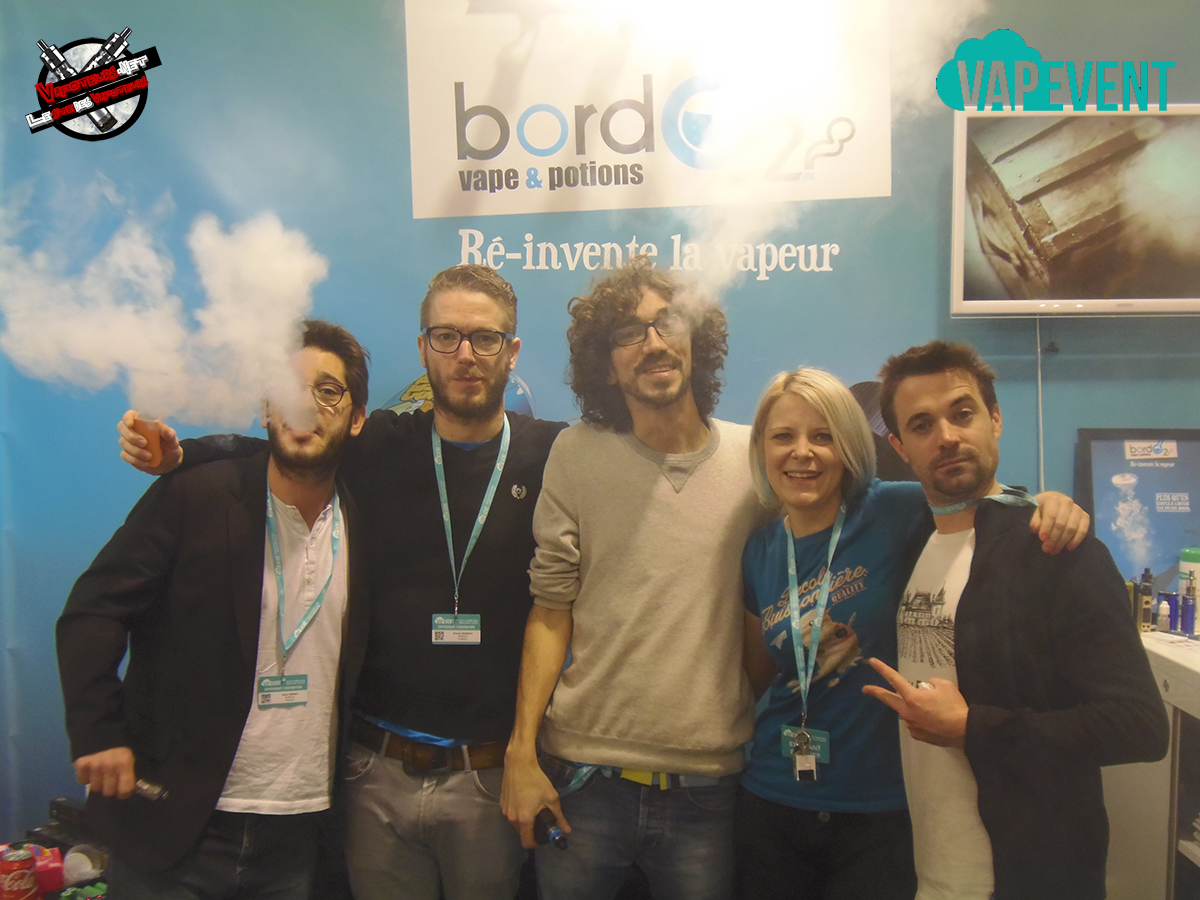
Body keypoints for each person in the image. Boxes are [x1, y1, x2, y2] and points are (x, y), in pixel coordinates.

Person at [118, 266, 565, 900]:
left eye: (484, 338)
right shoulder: (376, 440)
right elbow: (277, 443)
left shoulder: (556, 455)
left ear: (511, 350)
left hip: (491, 778)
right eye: (446, 336)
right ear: (423, 348)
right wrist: (185, 453)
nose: (465, 354)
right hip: (372, 773)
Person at [736, 367, 1090, 900]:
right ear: (762, 448)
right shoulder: (760, 549)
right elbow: (758, 675)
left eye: (823, 436)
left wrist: (1047, 502)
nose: (802, 452)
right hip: (772, 797)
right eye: (783, 436)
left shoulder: (896, 508)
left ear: (849, 447)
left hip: (881, 807)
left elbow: (987, 501)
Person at [58, 319, 370, 899]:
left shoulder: (366, 517)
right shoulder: (196, 495)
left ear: (356, 419)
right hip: (177, 826)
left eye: (328, 391)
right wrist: (97, 732)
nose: (304, 405)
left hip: (300, 834)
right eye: (288, 389)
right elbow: (92, 611)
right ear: (266, 408)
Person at [863, 340, 1170, 900]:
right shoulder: (911, 544)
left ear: (996, 419)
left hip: (1027, 878)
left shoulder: (1059, 549)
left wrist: (972, 728)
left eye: (962, 413)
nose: (947, 436)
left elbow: (1140, 726)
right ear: (900, 447)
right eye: (922, 425)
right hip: (931, 870)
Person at [501, 258, 767, 900]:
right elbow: (550, 609)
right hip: (584, 780)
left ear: (695, 339)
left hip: (709, 789)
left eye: (667, 322)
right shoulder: (576, 453)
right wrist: (521, 751)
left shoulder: (756, 460)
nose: (652, 343)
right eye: (628, 333)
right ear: (605, 365)